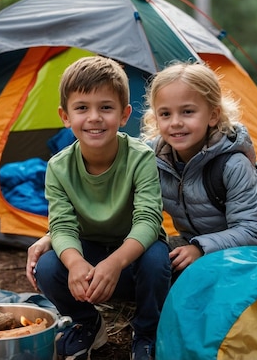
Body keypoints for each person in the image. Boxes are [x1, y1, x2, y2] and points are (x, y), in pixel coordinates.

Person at [31, 56, 171, 360]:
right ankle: (86, 323)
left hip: (132, 258)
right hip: (91, 253)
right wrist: (75, 263)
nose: (94, 117)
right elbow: (63, 225)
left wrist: (116, 262)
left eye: (105, 107)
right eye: (82, 108)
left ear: (124, 115)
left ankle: (146, 332)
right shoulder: (58, 167)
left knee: (157, 258)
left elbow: (148, 220)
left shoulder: (141, 158)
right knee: (47, 267)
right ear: (65, 116)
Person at [140, 61, 257, 276]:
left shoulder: (233, 164)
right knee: (148, 259)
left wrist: (200, 248)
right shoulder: (153, 158)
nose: (176, 122)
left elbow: (251, 231)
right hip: (190, 244)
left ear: (213, 115)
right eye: (165, 114)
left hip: (238, 254)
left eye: (187, 112)